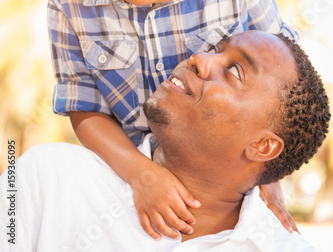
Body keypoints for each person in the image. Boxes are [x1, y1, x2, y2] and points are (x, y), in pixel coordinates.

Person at [47, 0, 299, 239]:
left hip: (221, 186)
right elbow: (85, 111)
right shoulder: (69, 4)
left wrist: (268, 180)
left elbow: (282, 90)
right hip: (127, 177)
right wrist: (143, 175)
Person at [0, 31, 329, 251]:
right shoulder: (45, 178)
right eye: (215, 49)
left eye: (235, 72)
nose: (199, 58)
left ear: (262, 147)